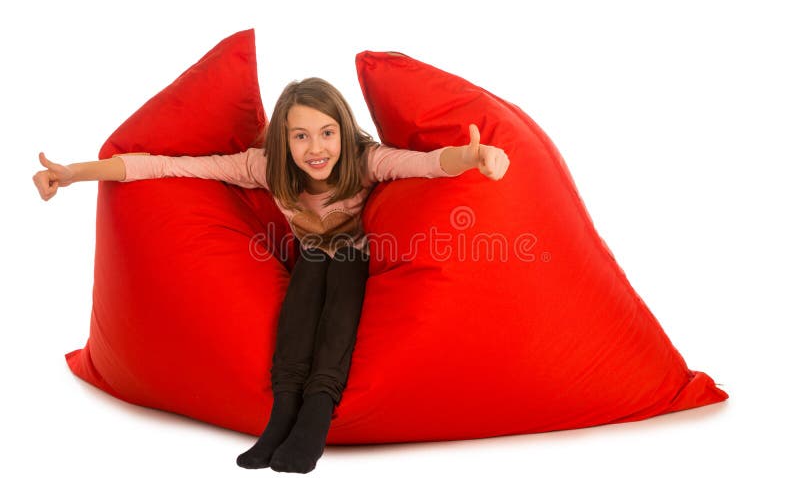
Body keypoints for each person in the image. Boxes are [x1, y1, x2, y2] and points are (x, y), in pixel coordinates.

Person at [32, 77, 510, 474]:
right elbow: (166, 165)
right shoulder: (263, 167)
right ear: (283, 140)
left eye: (326, 133)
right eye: (300, 136)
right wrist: (76, 173)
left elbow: (426, 165)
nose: (316, 148)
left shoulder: (365, 161)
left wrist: (471, 158)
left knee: (337, 266)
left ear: (344, 132)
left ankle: (317, 412)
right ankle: (283, 412)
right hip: (309, 264)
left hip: (355, 264)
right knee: (309, 278)